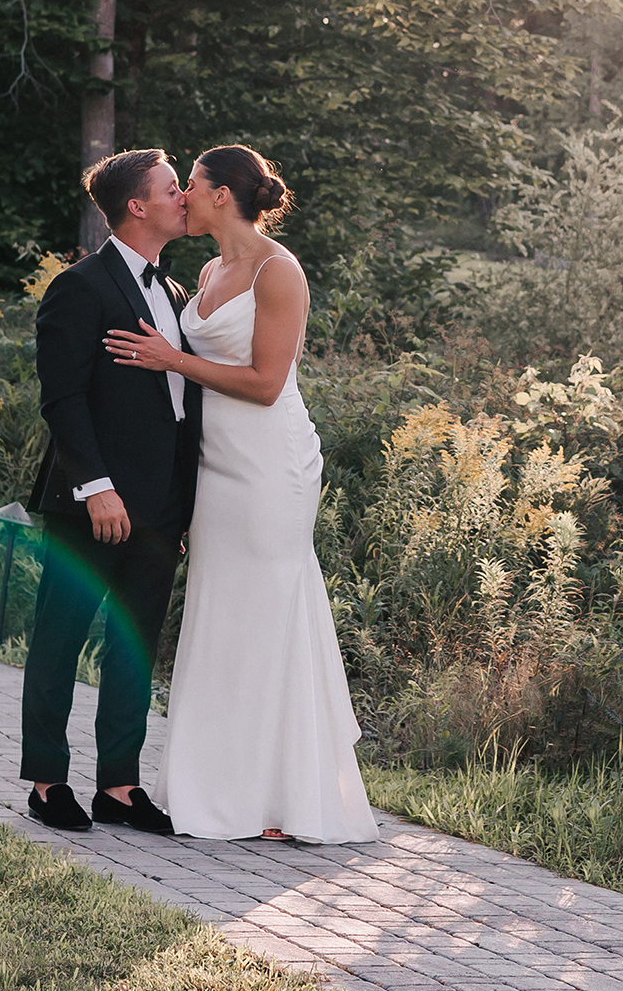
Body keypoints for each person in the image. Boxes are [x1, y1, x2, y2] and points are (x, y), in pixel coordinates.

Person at [104, 144, 380, 844]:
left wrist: (173, 358)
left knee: (267, 616)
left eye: (190, 184)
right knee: (220, 615)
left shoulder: (279, 272)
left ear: (222, 193)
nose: (183, 195)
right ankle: (219, 788)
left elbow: (263, 382)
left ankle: (285, 797)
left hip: (268, 466)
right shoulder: (205, 269)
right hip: (216, 469)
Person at [20, 149, 199, 835]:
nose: (183, 197)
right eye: (171, 187)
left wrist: (182, 505)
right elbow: (63, 399)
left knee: (133, 646)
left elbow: (178, 409)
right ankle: (46, 781)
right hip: (91, 502)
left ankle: (118, 787)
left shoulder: (176, 294)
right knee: (59, 639)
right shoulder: (79, 287)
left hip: (161, 509)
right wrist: (97, 487)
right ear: (138, 205)